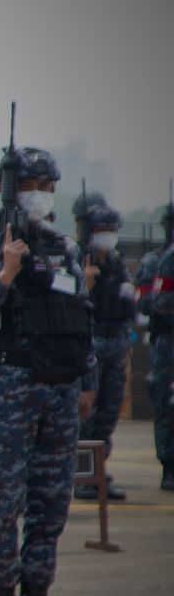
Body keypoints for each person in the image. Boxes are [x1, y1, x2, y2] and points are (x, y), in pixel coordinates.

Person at [0, 147, 93, 596]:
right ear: (10, 189)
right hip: (10, 386)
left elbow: (81, 317)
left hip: (60, 387)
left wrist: (88, 380)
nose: (39, 195)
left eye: (47, 187)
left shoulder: (64, 249)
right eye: (31, 186)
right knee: (5, 502)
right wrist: (5, 276)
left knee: (51, 502)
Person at [74, 199, 132, 501]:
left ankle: (98, 471)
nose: (107, 234)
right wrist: (84, 283)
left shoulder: (116, 263)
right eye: (101, 229)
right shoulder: (79, 259)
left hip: (116, 343)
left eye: (111, 228)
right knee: (87, 413)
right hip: (91, 343)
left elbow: (128, 304)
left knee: (108, 412)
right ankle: (83, 476)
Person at [138, 203, 174, 491]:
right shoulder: (158, 261)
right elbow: (149, 303)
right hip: (167, 343)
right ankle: (169, 465)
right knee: (166, 406)